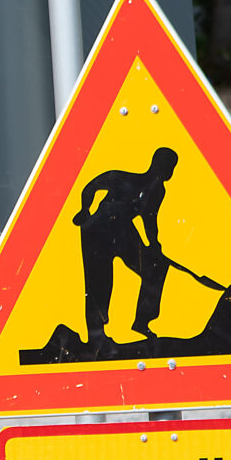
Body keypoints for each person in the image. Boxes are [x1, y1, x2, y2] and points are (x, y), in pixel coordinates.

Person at [74, 145, 180, 346]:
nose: (170, 171)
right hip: (99, 228)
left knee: (155, 267)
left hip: (122, 230)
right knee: (99, 281)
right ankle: (96, 334)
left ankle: (142, 321)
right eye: (168, 165)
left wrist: (154, 245)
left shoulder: (158, 190)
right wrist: (84, 210)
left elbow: (150, 218)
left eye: (172, 166)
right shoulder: (122, 178)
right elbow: (91, 186)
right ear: (157, 164)